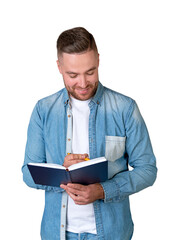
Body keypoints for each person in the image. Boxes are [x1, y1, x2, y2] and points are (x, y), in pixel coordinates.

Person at [22, 27, 157, 240]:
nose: (83, 84)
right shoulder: (43, 110)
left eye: (90, 72)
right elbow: (28, 174)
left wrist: (103, 191)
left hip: (112, 233)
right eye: (73, 75)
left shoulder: (125, 108)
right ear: (59, 67)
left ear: (98, 61)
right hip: (57, 233)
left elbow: (147, 169)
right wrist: (61, 170)